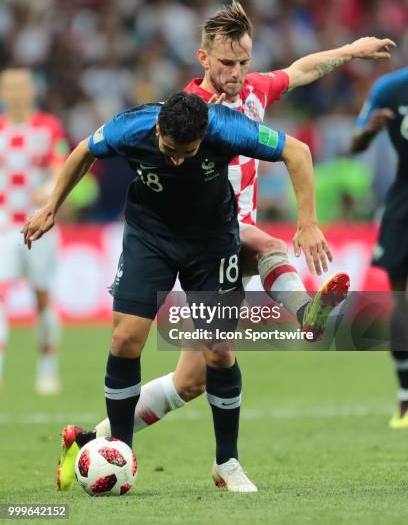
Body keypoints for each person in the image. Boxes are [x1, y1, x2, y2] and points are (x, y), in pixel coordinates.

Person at [56, 1, 395, 490]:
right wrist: (307, 222)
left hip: (225, 238)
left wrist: (351, 49)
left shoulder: (255, 91)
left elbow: (301, 69)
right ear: (203, 60)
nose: (236, 73)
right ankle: (308, 318)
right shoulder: (192, 114)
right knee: (265, 244)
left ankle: (91, 439)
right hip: (210, 236)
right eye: (226, 64)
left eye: (243, 63)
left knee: (190, 381)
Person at [23, 92, 346, 492]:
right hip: (149, 237)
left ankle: (227, 462)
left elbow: (296, 151)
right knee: (125, 338)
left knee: (219, 352)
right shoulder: (133, 126)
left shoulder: (226, 127)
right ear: (158, 130)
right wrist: (53, 205)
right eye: (170, 151)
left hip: (211, 244)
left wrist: (308, 221)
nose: (176, 159)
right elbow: (84, 151)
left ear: (203, 136)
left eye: (188, 152)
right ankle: (119, 449)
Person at [0, 68, 69, 394]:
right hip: (3, 225)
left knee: (41, 297)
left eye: (21, 87)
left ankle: (47, 366)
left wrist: (50, 189)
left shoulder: (48, 127)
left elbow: (60, 165)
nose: (15, 93)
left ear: (31, 90)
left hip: (38, 224)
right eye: (9, 87)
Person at [350, 66, 408, 429]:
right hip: (405, 200)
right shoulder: (390, 88)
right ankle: (405, 398)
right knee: (399, 298)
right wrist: (369, 131)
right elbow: (355, 144)